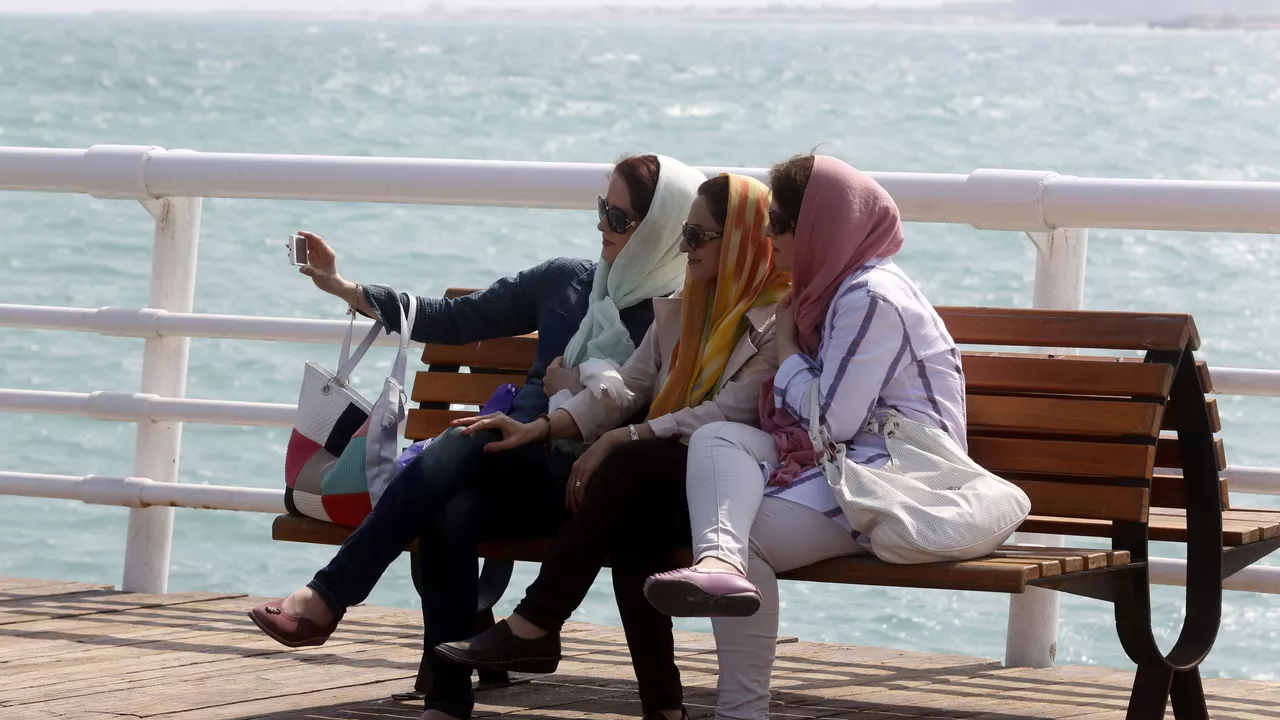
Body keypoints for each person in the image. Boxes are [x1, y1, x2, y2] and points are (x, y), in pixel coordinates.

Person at [249, 154, 708, 720]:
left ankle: (330, 595)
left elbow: (655, 413)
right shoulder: (567, 282)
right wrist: (344, 288)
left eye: (619, 218)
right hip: (514, 466)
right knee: (454, 504)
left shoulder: (678, 313)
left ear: (659, 229)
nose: (601, 225)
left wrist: (569, 390)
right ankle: (446, 701)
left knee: (466, 442)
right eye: (601, 209)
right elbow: (456, 318)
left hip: (590, 490)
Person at [434, 173, 791, 720]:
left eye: (699, 236)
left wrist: (624, 436)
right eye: (684, 233)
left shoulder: (775, 321)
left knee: (629, 471)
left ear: (741, 241)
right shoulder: (686, 305)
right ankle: (662, 707)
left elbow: (730, 413)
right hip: (661, 479)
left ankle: (536, 621)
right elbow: (630, 387)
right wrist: (544, 427)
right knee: (630, 519)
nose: (685, 248)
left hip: (731, 491)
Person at [643, 155, 967, 720]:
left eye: (780, 224)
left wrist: (788, 347)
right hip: (846, 460)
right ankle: (718, 563)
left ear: (817, 228)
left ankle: (740, 710)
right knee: (718, 437)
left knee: (751, 536)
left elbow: (831, 421)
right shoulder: (832, 291)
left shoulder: (870, 298)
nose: (769, 237)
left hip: (899, 476)